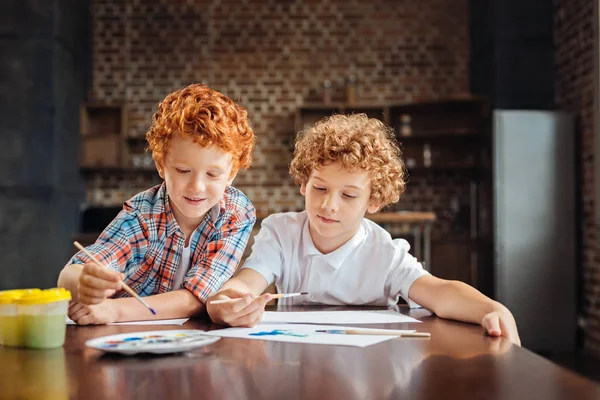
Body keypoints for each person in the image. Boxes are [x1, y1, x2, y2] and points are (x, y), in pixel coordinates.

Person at [207, 113, 520, 345]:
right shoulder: (280, 232)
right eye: (320, 188)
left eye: (349, 195)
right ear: (303, 183)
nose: (329, 205)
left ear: (374, 200)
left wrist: (489, 308)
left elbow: (439, 292)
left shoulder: (384, 252)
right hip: (296, 358)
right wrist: (228, 304)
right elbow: (246, 283)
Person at [58, 83, 256, 324]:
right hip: (125, 338)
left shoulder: (236, 213)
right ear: (161, 165)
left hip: (188, 344)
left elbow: (198, 297)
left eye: (213, 175)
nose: (197, 187)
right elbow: (70, 274)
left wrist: (115, 310)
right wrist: (81, 282)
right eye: (183, 170)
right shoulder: (141, 216)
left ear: (232, 173)